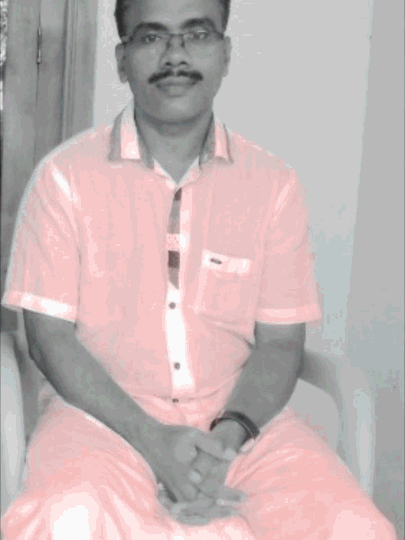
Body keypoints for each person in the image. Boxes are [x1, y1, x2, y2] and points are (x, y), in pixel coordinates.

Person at [0, 0, 397, 538]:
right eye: (151, 37)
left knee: (352, 525)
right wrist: (152, 440)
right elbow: (48, 339)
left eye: (197, 34)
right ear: (122, 60)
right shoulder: (63, 180)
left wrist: (226, 439)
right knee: (68, 516)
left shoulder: (273, 186)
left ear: (225, 54)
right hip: (101, 420)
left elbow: (281, 344)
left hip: (243, 425)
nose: (175, 55)